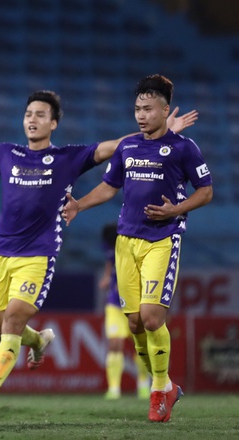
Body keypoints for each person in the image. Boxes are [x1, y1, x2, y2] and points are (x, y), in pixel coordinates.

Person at [0, 90, 197, 419]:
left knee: (13, 319)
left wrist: (161, 132)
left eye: (40, 115)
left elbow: (113, 147)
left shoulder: (67, 159)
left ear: (54, 123)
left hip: (38, 255)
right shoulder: (7, 154)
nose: (32, 119)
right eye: (28, 114)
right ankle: (37, 341)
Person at [62, 74, 213, 422]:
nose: (141, 115)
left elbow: (206, 191)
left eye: (147, 109)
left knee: (151, 317)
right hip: (125, 240)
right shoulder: (128, 146)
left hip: (162, 239)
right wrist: (79, 204)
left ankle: (159, 389)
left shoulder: (184, 148)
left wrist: (176, 210)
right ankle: (167, 386)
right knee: (133, 325)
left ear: (164, 109)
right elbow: (108, 186)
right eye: (136, 109)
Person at [99, 223, 150, 400]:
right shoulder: (109, 247)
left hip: (134, 304)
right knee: (115, 344)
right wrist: (106, 277)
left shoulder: (135, 247)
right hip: (114, 304)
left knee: (140, 346)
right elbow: (109, 262)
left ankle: (143, 384)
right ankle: (114, 389)